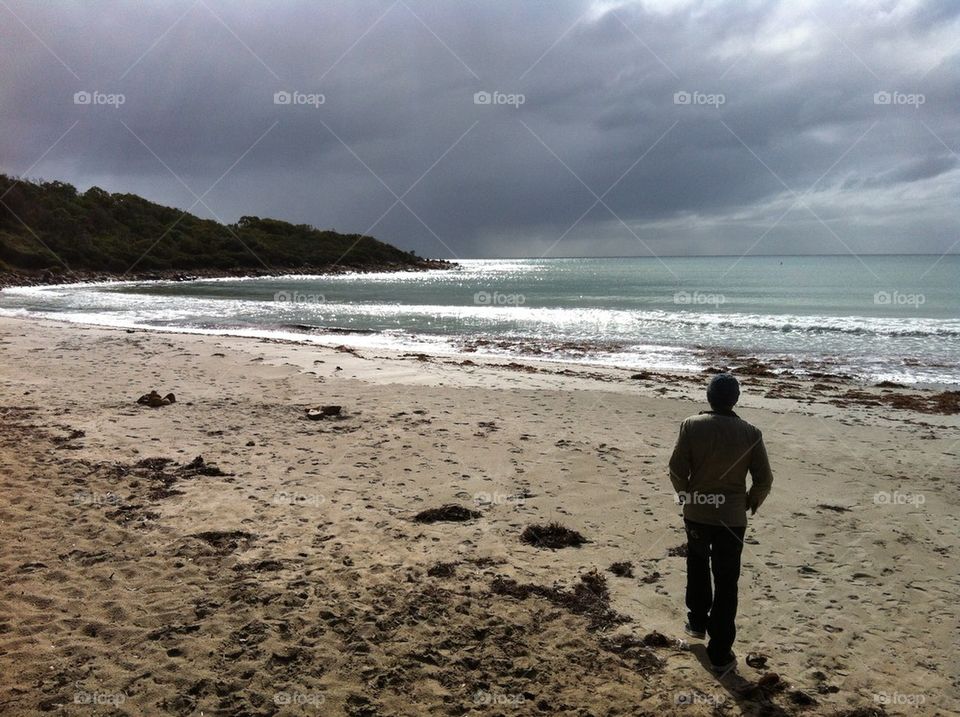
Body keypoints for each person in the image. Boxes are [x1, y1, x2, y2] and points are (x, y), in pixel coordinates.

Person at [668, 372, 773, 674]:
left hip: (698, 512)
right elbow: (764, 479)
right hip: (732, 517)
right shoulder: (750, 432)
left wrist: (685, 495)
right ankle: (720, 649)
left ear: (708, 397)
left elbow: (676, 469)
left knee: (698, 565)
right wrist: (751, 502)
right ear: (736, 399)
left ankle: (697, 622)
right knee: (727, 580)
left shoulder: (691, 425)